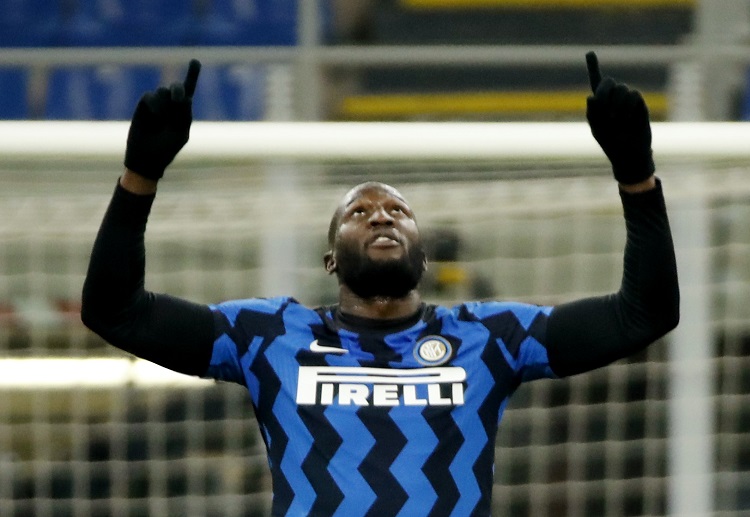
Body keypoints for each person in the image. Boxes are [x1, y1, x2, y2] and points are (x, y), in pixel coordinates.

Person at [81, 53, 679, 516]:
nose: (382, 216)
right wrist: (140, 176)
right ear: (330, 261)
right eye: (358, 213)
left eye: (398, 211)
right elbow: (116, 313)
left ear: (422, 257)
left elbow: (643, 314)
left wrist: (636, 178)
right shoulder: (267, 335)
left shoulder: (490, 337)